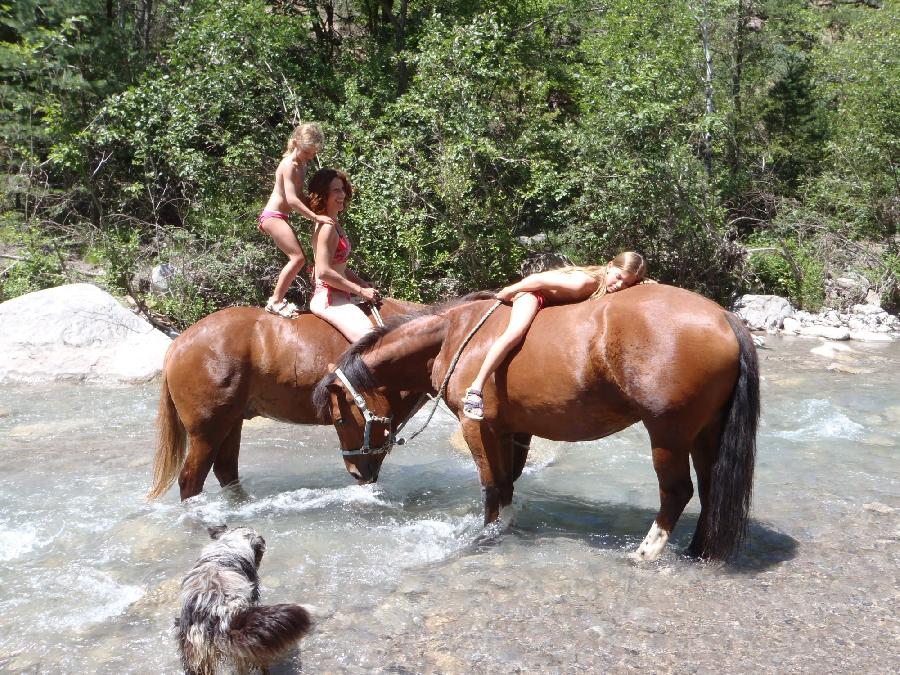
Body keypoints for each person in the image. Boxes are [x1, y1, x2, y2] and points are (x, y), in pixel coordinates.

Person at [461, 251, 652, 421]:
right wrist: (508, 291)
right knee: (515, 333)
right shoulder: (584, 282)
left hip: (554, 302)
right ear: (610, 265)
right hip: (533, 294)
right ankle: (476, 389)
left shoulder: (608, 282)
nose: (619, 285)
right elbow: (537, 280)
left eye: (627, 283)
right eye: (618, 277)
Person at [259, 122, 334, 318]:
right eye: (308, 152)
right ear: (296, 144)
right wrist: (315, 216)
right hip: (272, 216)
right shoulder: (289, 165)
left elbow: (299, 195)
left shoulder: (302, 164)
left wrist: (319, 205)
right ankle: (275, 301)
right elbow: (291, 200)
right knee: (298, 258)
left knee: (300, 258)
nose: (311, 156)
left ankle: (278, 299)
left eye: (313, 153)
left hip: (279, 217)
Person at [307, 168, 381, 342]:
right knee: (371, 341)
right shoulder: (327, 228)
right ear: (323, 195)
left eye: (343, 189)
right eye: (336, 190)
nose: (342, 194)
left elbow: (339, 268)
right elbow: (324, 272)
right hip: (328, 299)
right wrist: (361, 291)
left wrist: (362, 283)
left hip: (339, 295)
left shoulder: (334, 224)